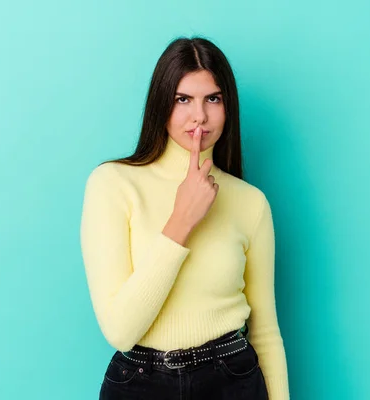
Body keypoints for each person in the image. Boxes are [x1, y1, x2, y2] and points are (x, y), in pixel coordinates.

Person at [80, 36, 290, 399]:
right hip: (140, 382)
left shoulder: (250, 203)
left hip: (232, 379)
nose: (200, 116)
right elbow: (120, 331)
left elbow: (266, 332)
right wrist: (182, 219)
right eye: (183, 99)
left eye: (213, 98)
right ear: (161, 104)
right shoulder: (113, 183)